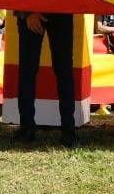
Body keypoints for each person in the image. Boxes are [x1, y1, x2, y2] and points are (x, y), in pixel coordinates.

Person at [14, 11, 77, 147]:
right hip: (36, 8)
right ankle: (27, 128)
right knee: (28, 71)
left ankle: (68, 131)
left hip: (60, 8)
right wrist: (27, 13)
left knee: (63, 71)